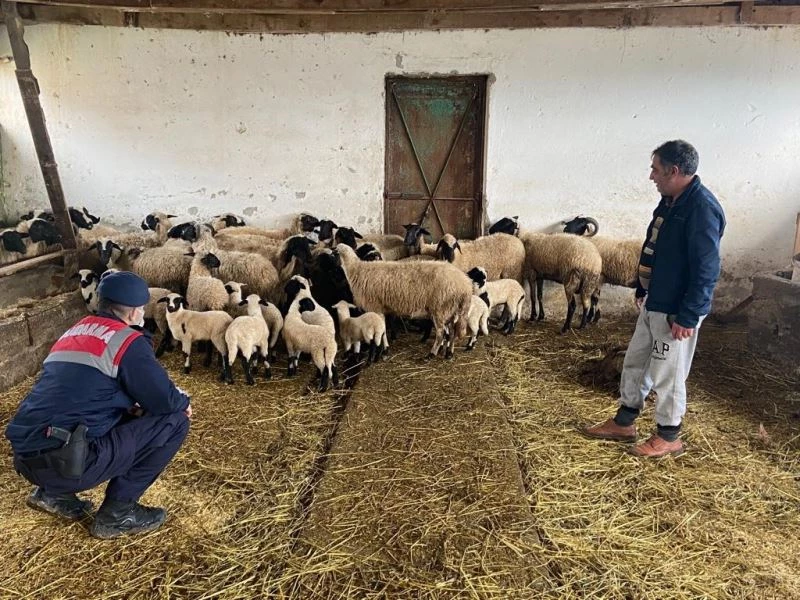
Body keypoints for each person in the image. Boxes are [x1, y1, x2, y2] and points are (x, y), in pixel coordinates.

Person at [5, 271, 191, 538]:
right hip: (68, 464)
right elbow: (166, 400)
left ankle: (51, 494)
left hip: (26, 458)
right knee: (176, 420)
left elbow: (85, 392)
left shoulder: (74, 331)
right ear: (134, 313)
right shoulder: (128, 341)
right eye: (140, 309)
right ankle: (118, 512)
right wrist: (184, 401)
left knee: (101, 413)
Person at [581, 140, 726, 457]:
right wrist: (643, 286)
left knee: (667, 372)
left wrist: (689, 316)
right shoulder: (670, 201)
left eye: (656, 170)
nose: (651, 176)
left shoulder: (700, 209)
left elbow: (707, 268)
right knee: (635, 363)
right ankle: (624, 422)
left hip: (676, 311)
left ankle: (669, 435)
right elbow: (656, 250)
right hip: (655, 302)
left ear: (674, 171)